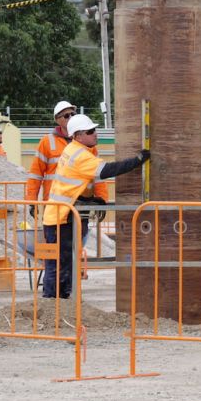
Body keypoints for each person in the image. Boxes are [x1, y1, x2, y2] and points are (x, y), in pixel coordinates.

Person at [41, 114, 149, 299]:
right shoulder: (80, 155)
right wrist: (138, 160)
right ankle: (54, 305)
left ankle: (59, 303)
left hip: (60, 214)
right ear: (78, 135)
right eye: (90, 131)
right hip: (62, 217)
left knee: (62, 264)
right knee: (61, 265)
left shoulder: (72, 149)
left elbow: (73, 185)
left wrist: (89, 200)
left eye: (94, 130)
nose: (95, 134)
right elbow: (107, 171)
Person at [27, 101, 102, 214]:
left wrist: (101, 199)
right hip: (56, 204)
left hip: (81, 204)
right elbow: (36, 174)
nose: (71, 117)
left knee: (81, 231)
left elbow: (98, 175)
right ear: (57, 120)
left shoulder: (87, 141)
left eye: (73, 114)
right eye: (66, 115)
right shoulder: (47, 142)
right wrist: (32, 202)